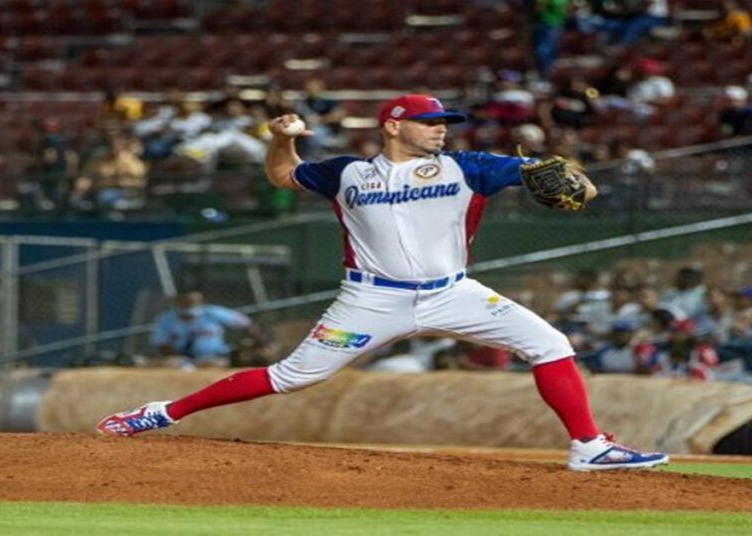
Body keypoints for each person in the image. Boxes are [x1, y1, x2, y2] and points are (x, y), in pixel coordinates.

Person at [96, 94, 668, 471]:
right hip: (370, 298)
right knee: (289, 377)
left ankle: (589, 446)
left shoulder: (471, 167)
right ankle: (162, 412)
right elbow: (281, 173)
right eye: (430, 123)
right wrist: (281, 137)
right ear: (394, 125)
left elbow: (575, 188)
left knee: (550, 343)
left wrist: (573, 180)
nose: (441, 132)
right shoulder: (346, 171)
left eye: (445, 124)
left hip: (453, 292)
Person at [150, 291, 262, 369]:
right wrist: (180, 358)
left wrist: (263, 343)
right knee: (167, 364)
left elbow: (247, 324)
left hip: (215, 357)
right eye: (186, 303)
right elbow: (162, 344)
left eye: (192, 303)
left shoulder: (212, 313)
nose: (189, 306)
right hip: (183, 360)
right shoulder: (166, 318)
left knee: (220, 363)